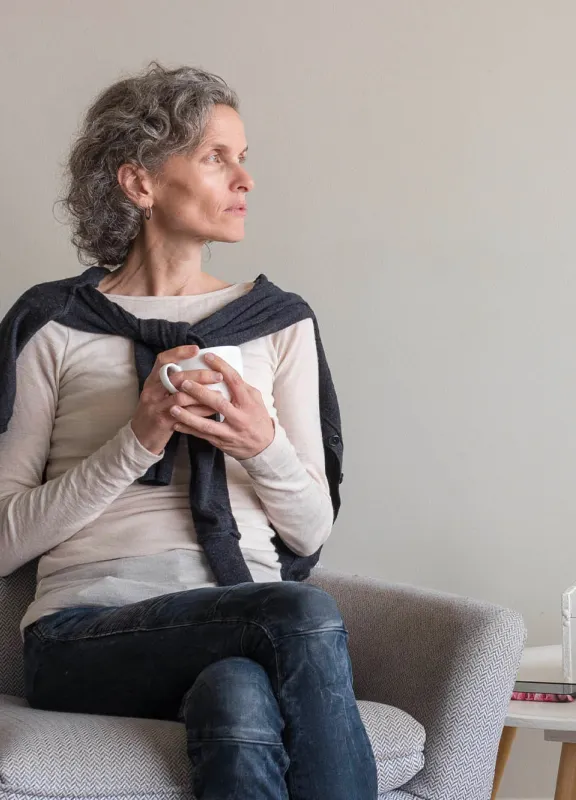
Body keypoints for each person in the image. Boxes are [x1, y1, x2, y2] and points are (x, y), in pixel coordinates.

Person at [0, 62, 378, 800]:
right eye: (216, 157)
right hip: (84, 636)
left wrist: (259, 444)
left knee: (237, 692)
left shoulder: (279, 324)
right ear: (140, 183)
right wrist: (136, 440)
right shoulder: (53, 325)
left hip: (244, 617)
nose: (245, 180)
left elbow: (308, 530)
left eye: (244, 158)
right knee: (301, 612)